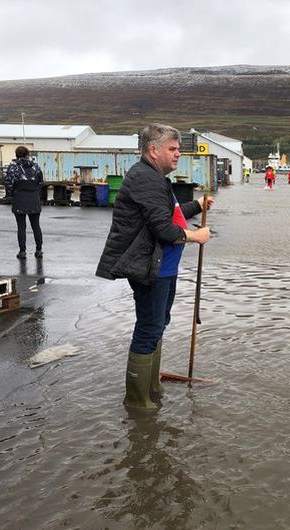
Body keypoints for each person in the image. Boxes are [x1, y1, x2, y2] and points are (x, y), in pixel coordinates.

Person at [96, 123, 213, 411]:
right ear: (153, 149)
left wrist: (197, 205)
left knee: (158, 325)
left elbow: (169, 214)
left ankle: (151, 388)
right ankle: (138, 402)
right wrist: (195, 236)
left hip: (163, 267)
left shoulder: (154, 177)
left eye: (178, 149)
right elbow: (164, 229)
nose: (177, 155)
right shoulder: (146, 178)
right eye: (172, 149)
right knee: (149, 328)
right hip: (151, 268)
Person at [3, 146, 45, 259]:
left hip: (19, 199)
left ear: (16, 155)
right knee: (36, 225)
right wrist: (36, 193)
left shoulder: (13, 168)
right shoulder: (36, 167)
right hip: (33, 199)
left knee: (21, 226)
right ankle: (39, 250)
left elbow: (8, 183)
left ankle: (22, 251)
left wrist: (11, 195)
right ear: (28, 154)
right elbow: (41, 182)